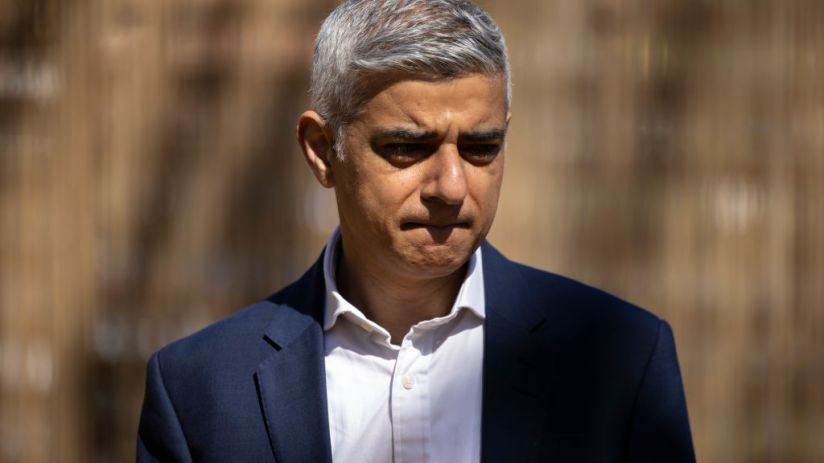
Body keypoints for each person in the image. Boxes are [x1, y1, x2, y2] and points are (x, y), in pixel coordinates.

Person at [137, 0, 695, 461]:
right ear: (323, 151)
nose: (451, 186)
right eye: (407, 147)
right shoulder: (201, 388)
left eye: (481, 147)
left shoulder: (621, 362)